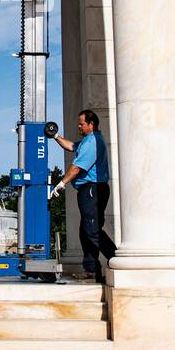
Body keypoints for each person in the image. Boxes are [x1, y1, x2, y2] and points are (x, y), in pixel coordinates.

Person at [50, 109, 116, 284]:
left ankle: (115, 259)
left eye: (81, 124)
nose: (78, 126)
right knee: (85, 230)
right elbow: (71, 146)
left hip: (93, 189)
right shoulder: (87, 141)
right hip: (89, 190)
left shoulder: (92, 142)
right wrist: (55, 135)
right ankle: (91, 270)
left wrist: (62, 183)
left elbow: (77, 167)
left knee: (92, 230)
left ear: (91, 124)